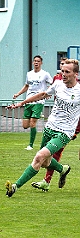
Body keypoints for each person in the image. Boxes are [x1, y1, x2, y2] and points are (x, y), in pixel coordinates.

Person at [5, 59, 80, 198]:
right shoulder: (57, 84)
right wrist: (22, 103)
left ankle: (15, 187)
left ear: (75, 74)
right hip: (49, 128)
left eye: (67, 72)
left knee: (39, 157)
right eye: (62, 71)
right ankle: (62, 169)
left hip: (64, 133)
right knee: (45, 162)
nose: (63, 74)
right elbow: (43, 95)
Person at [31, 57, 80, 191]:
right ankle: (48, 180)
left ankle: (57, 174)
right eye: (61, 67)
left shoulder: (77, 86)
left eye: (66, 69)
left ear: (74, 72)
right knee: (54, 153)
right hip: (59, 123)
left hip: (73, 123)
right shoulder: (58, 80)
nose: (63, 72)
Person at [13, 55, 53, 150]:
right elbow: (27, 86)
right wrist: (18, 94)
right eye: (35, 61)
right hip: (29, 100)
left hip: (39, 101)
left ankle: (30, 145)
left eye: (38, 61)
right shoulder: (29, 74)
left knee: (32, 123)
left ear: (41, 63)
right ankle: (39, 115)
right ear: (32, 62)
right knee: (25, 126)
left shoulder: (45, 74)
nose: (36, 62)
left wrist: (48, 93)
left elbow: (52, 84)